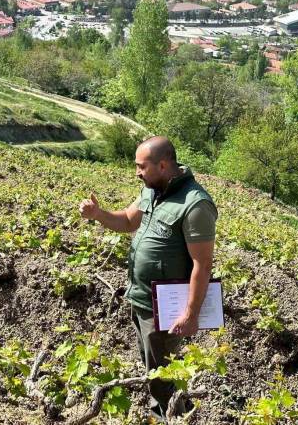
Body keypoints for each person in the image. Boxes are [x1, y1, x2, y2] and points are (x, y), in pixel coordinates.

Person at [79, 136, 217, 420]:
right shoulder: (152, 191)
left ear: (163, 165)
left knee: (161, 377)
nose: (137, 172)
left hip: (165, 310)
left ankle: (173, 417)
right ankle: (168, 413)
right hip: (141, 298)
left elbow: (202, 265)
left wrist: (191, 314)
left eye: (142, 167)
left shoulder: (195, 204)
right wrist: (98, 214)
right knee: (152, 368)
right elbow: (128, 221)